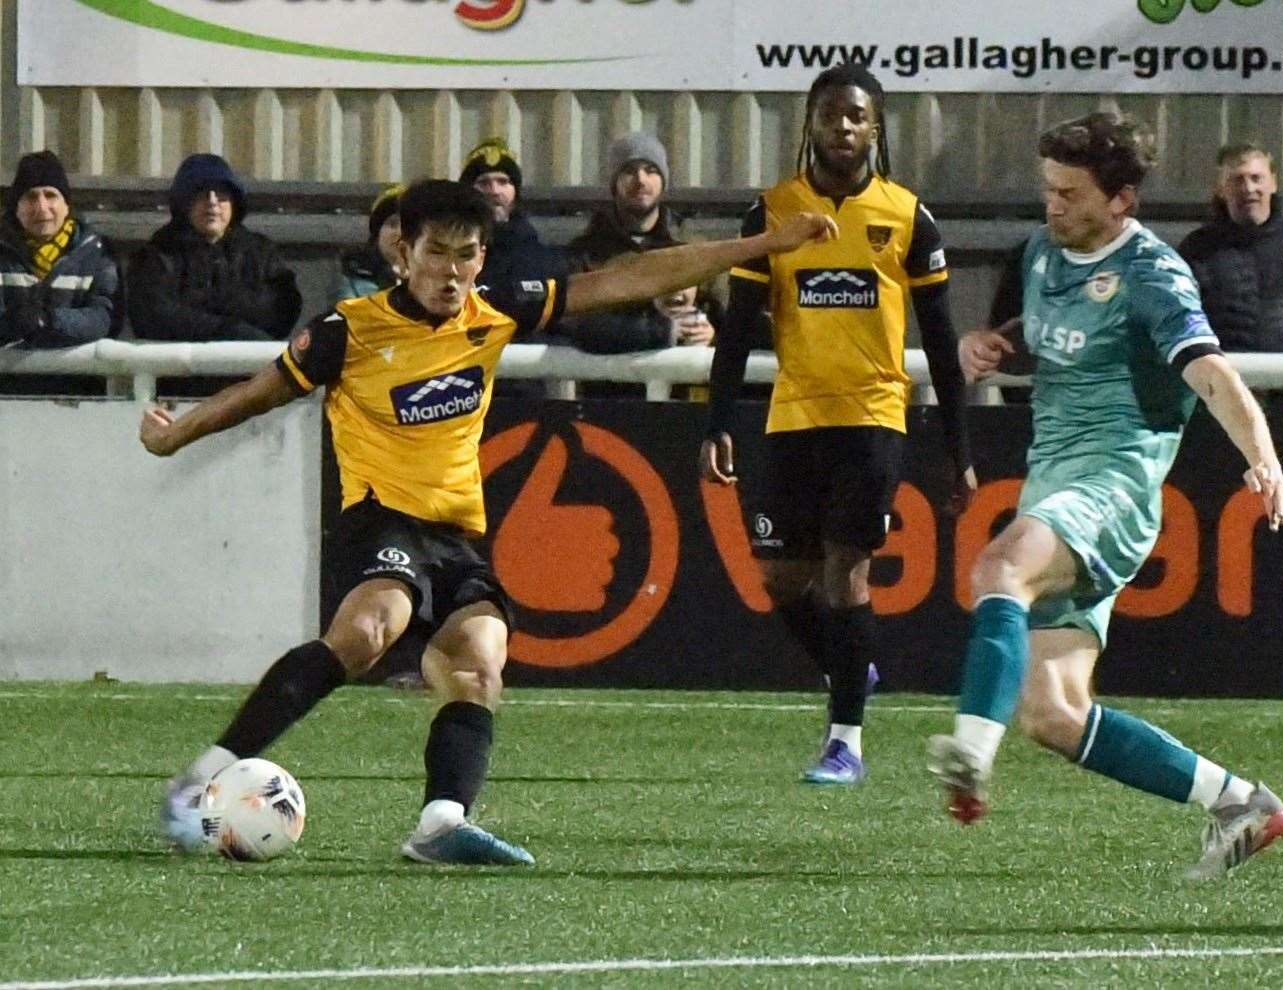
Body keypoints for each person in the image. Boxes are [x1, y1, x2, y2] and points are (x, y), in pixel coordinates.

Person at [142, 179, 835, 866]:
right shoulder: (347, 331)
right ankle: (198, 781)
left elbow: (626, 278)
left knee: (479, 666)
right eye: (436, 253)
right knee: (366, 632)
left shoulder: (493, 312)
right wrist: (176, 434)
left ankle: (440, 823)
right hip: (380, 521)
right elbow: (256, 394)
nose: (452, 271)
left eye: (467, 254)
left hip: (454, 537)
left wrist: (764, 243)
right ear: (402, 253)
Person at [926, 111, 1283, 879]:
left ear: (1120, 199)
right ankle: (1239, 803)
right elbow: (1050, 332)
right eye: (1046, 189)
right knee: (1054, 715)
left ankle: (969, 747)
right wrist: (990, 345)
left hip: (1113, 485)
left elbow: (1210, 372)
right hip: (1053, 483)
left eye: (1069, 193)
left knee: (999, 570)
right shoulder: (1040, 251)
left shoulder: (1153, 275)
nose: (1051, 205)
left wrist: (1262, 457)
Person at [701, 64, 976, 786]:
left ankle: (844, 742)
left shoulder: (906, 216)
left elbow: (942, 340)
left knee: (844, 575)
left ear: (875, 127)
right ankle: (852, 669)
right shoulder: (773, 214)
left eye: (856, 116)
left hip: (873, 415)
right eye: (830, 115)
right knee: (778, 580)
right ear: (811, 125)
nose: (843, 128)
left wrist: (958, 446)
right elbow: (737, 328)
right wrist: (718, 420)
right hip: (793, 415)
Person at [564, 131, 720, 353]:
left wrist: (713, 336)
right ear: (614, 183)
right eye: (629, 171)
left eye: (651, 171)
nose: (641, 180)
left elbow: (733, 315)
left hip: (681, 384)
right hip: (610, 384)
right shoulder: (584, 253)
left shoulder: (692, 247)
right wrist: (660, 332)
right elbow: (573, 322)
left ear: (663, 181)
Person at [1179, 142, 1283, 355]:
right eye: (1237, 180)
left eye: (1256, 178)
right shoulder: (1196, 250)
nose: (1248, 189)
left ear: (1273, 183)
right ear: (1220, 189)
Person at [127, 153, 302, 342]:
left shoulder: (261, 252)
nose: (212, 202)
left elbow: (282, 311)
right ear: (184, 203)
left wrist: (212, 302)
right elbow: (153, 318)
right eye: (202, 194)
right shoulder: (157, 254)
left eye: (221, 195)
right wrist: (225, 328)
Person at [0, 150, 122, 350]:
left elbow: (104, 318)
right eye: (31, 197)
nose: (42, 207)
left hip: (75, 379)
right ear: (16, 207)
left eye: (50, 195)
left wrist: (49, 320)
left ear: (66, 205)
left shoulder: (97, 253)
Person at [459, 137, 568, 289]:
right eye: (484, 183)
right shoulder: (454, 252)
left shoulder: (540, 258)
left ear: (516, 192)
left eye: (503, 182)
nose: (494, 191)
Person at [334, 183, 405, 303]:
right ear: (377, 234)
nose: (399, 233)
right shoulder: (350, 275)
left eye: (408, 225)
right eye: (392, 224)